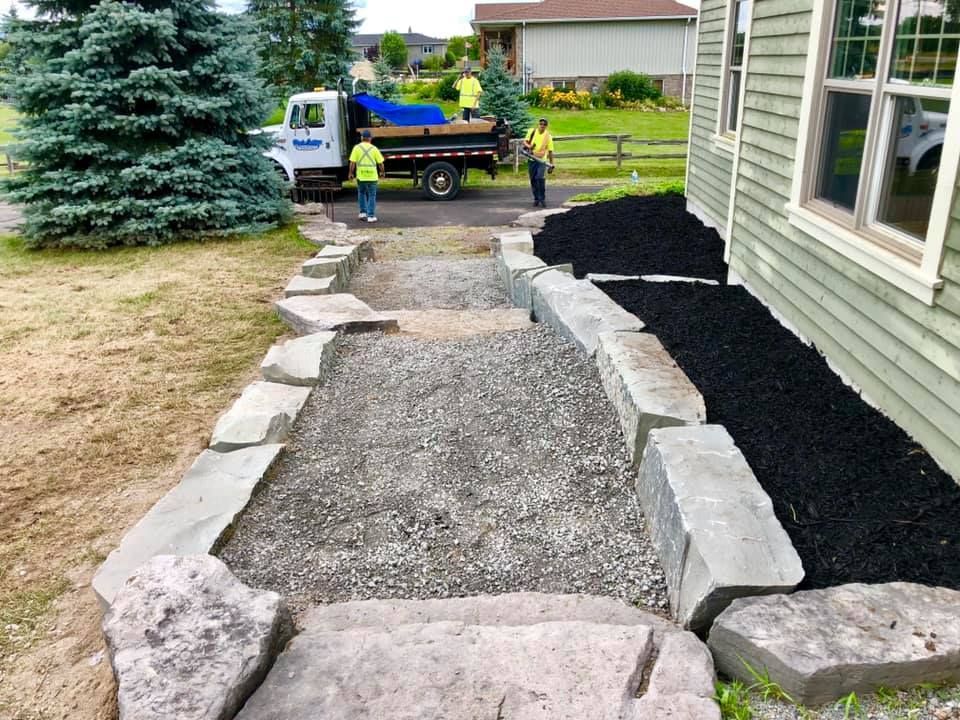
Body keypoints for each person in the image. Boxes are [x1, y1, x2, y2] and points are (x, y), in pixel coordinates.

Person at [347, 129, 385, 223]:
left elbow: (352, 162)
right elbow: (380, 163)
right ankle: (371, 216)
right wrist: (382, 172)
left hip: (361, 176)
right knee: (372, 195)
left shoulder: (356, 148)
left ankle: (363, 213)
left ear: (361, 138)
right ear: (370, 138)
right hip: (372, 177)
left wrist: (350, 173)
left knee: (362, 193)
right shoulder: (374, 149)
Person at [523, 117, 555, 207]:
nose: (542, 126)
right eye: (541, 124)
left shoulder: (548, 137)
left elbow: (550, 151)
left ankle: (542, 199)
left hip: (542, 161)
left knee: (539, 178)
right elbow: (525, 142)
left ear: (546, 126)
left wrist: (551, 164)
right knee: (533, 179)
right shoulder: (532, 131)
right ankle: (536, 198)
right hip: (531, 159)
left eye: (544, 124)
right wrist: (529, 147)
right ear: (538, 124)